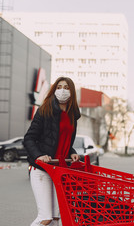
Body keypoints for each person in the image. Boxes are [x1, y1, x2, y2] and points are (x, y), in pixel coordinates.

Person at [24, 77, 81, 226]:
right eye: (59, 87)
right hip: (43, 169)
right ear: (55, 89)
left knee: (57, 218)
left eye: (67, 88)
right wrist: (39, 155)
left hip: (60, 171)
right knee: (46, 218)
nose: (63, 90)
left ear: (72, 91)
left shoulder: (72, 115)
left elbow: (65, 140)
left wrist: (72, 152)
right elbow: (29, 138)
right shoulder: (45, 110)